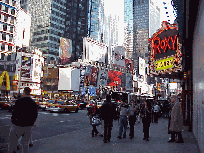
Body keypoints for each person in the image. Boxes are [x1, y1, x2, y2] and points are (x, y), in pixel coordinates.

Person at [7, 87, 38, 153]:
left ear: (24, 92)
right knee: (25, 143)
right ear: (30, 92)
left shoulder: (19, 101)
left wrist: (13, 121)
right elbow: (35, 114)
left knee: (12, 141)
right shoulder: (33, 102)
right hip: (28, 126)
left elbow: (15, 113)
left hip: (18, 124)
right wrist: (32, 123)